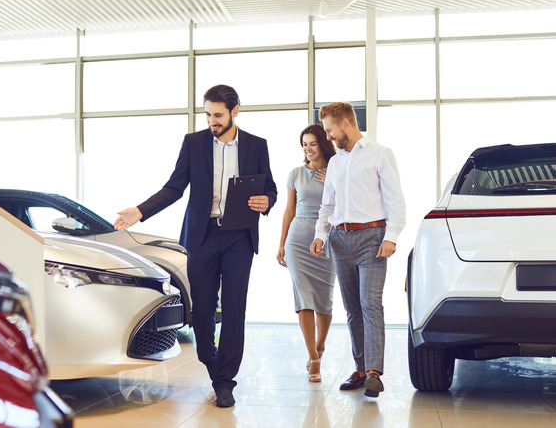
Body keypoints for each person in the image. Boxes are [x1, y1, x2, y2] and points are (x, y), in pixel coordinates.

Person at [115, 84, 277, 408]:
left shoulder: (256, 146)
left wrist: (267, 201)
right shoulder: (193, 143)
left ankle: (225, 381)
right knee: (202, 309)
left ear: (235, 111)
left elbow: (269, 188)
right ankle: (212, 361)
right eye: (207, 114)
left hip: (239, 236)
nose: (211, 121)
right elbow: (174, 187)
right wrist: (140, 211)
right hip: (202, 236)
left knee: (234, 309)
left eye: (217, 115)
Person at [309, 102, 405, 398]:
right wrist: (320, 235)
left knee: (369, 303)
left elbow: (395, 200)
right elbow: (328, 204)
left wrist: (391, 237)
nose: (328, 137)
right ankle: (361, 369)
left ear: (345, 124)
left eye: (329, 130)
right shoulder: (336, 162)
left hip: (372, 239)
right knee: (352, 309)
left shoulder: (380, 154)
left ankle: (375, 372)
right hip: (340, 239)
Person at [276, 124, 336, 383]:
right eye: (304, 144)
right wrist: (281, 244)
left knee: (324, 299)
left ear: (323, 144)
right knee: (303, 297)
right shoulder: (295, 174)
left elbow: (349, 205)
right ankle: (312, 356)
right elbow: (289, 211)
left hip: (328, 241)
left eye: (312, 143)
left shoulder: (338, 170)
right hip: (298, 240)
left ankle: (320, 345)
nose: (308, 149)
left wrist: (335, 182)